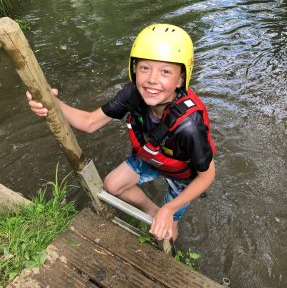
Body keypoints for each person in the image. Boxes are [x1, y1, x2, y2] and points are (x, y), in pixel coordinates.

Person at [26, 24, 216, 242]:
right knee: (113, 185)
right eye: (145, 68)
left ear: (181, 79)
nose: (152, 79)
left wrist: (169, 210)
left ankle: (168, 241)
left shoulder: (189, 126)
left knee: (168, 228)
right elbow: (89, 122)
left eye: (165, 71)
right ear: (134, 69)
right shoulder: (132, 94)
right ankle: (153, 211)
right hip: (153, 157)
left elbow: (207, 175)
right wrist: (51, 104)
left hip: (182, 174)